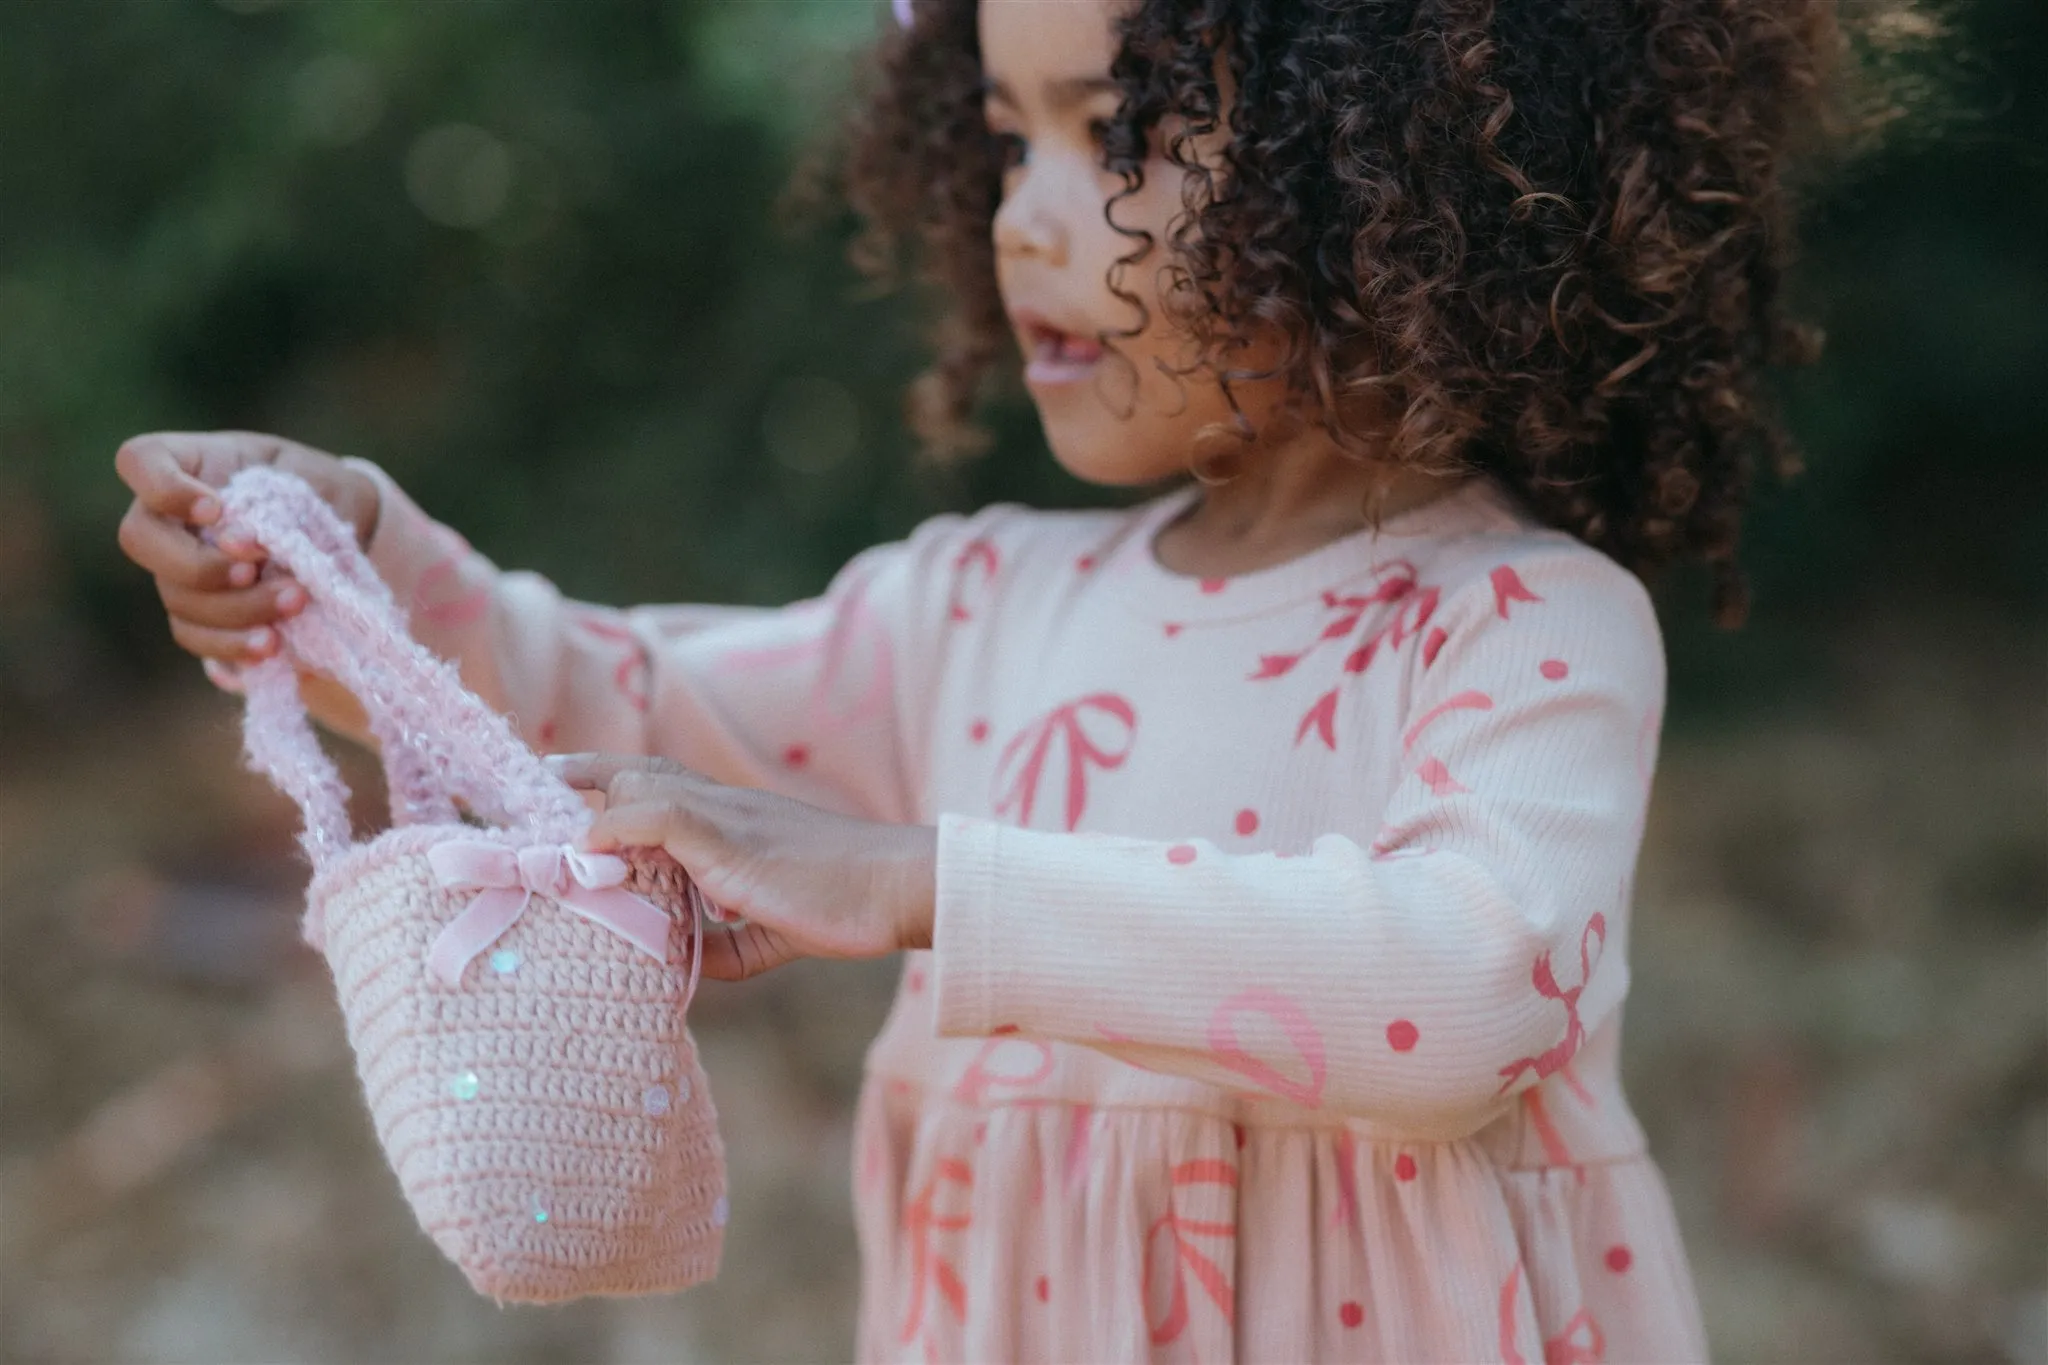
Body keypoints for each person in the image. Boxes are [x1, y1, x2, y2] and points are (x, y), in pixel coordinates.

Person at [115, 0, 1869, 1357]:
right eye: (1002, 138)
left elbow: (1467, 997)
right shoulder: (977, 607)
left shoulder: (1525, 624)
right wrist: (357, 565)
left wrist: (915, 882)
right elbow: (598, 708)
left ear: (1398, 173)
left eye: (1114, 133)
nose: (1026, 216)